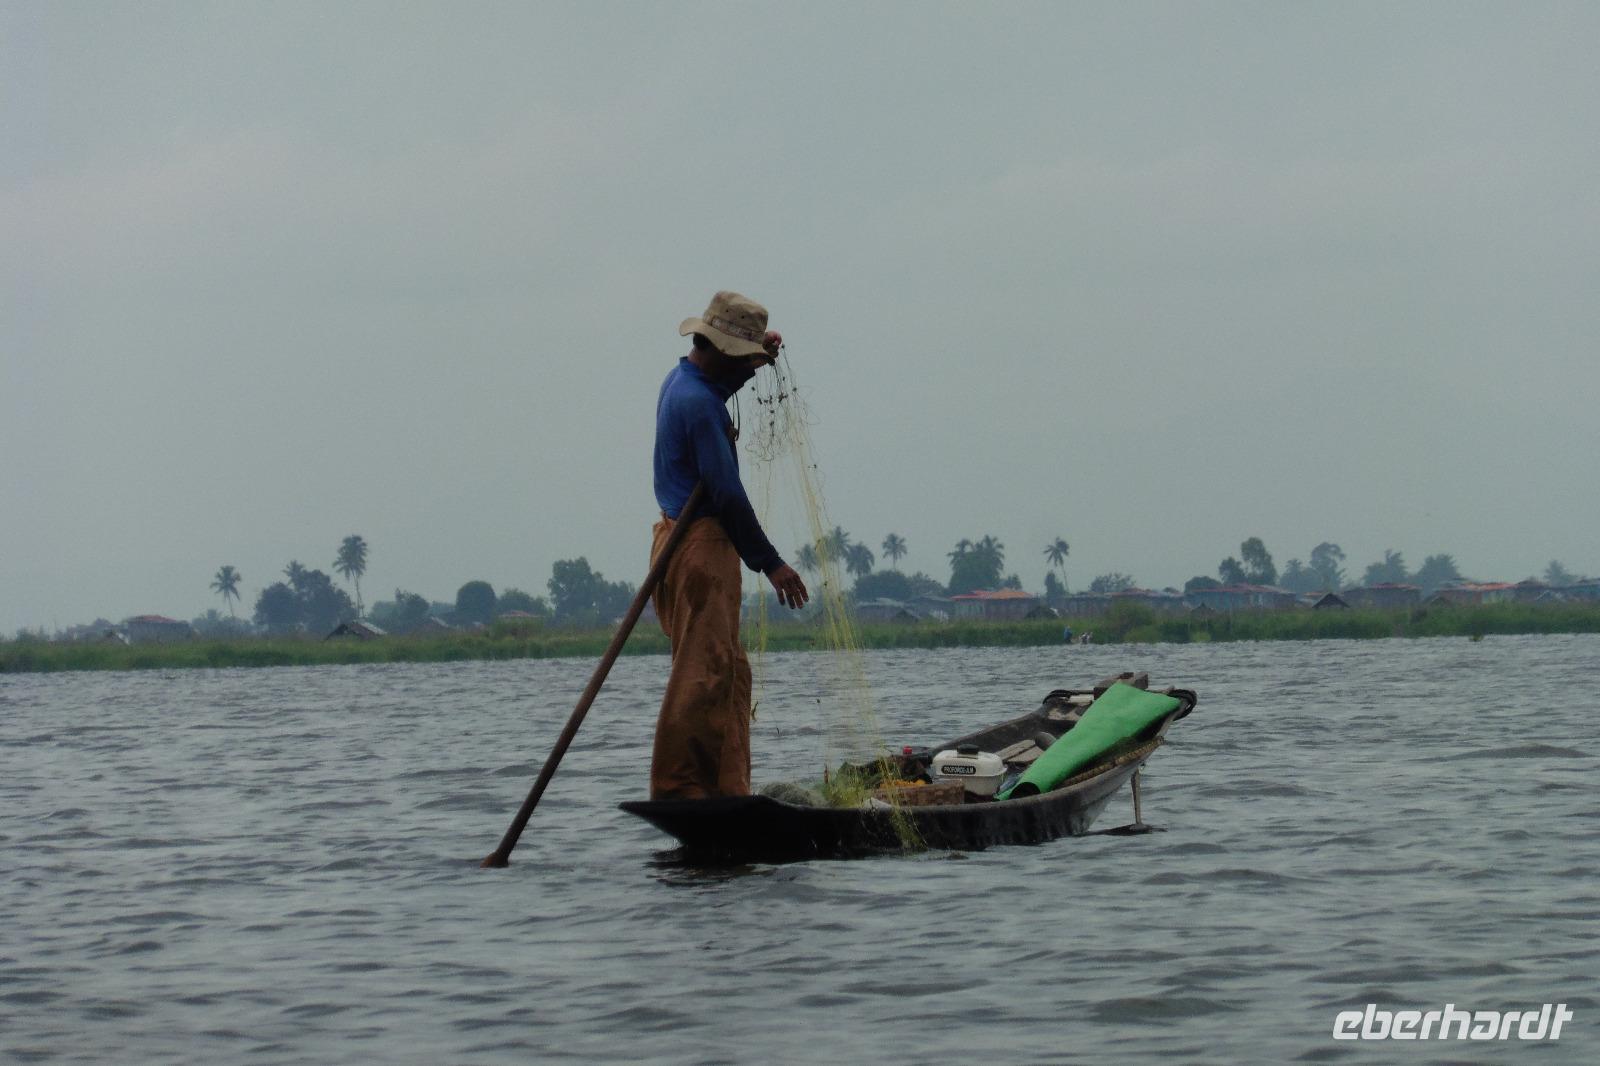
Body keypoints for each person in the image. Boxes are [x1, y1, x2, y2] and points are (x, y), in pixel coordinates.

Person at [650, 290, 809, 800]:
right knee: (703, 677)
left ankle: (725, 790)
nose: (752, 371)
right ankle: (684, 792)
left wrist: (761, 352)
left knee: (727, 672)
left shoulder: (686, 380)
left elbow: (728, 383)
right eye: (743, 361)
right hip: (700, 548)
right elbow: (726, 494)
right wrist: (771, 563)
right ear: (716, 351)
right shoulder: (698, 403)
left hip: (674, 541)